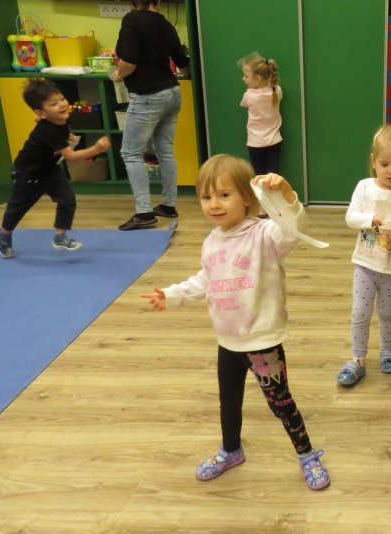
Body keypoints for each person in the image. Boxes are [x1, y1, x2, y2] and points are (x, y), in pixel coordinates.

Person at [141, 154, 330, 490]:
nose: (214, 204)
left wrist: (286, 194)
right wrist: (172, 295)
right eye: (206, 196)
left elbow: (295, 228)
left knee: (281, 404)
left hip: (262, 342)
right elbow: (205, 279)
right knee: (228, 403)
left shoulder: (265, 234)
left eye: (224, 195)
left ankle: (307, 454)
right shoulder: (212, 241)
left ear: (247, 197)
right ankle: (231, 450)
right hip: (227, 341)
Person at [336, 125, 391, 386]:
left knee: (386, 312)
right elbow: (350, 218)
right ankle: (358, 359)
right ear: (373, 162)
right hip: (364, 264)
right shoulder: (365, 187)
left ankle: (387, 351)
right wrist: (372, 219)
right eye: (384, 164)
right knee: (360, 312)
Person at [0, 78, 111, 258]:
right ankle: (4, 234)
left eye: (62, 99)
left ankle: (60, 236)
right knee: (19, 207)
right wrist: (96, 149)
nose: (62, 104)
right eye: (53, 104)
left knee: (67, 199)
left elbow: (48, 125)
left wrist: (66, 134)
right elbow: (70, 157)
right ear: (42, 112)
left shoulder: (58, 119)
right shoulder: (48, 130)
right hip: (28, 173)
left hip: (49, 169)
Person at [112, 0, 190, 230]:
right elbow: (183, 64)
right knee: (165, 150)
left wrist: (118, 74)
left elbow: (129, 62)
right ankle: (168, 205)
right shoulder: (166, 24)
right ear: (158, 1)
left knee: (131, 153)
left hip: (148, 95)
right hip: (172, 92)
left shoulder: (132, 20)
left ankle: (144, 213)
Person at [239, 52, 283, 176]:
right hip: (275, 141)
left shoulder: (249, 95)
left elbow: (243, 104)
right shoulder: (276, 90)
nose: (243, 79)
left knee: (258, 176)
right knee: (273, 176)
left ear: (258, 78)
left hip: (255, 143)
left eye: (246, 76)